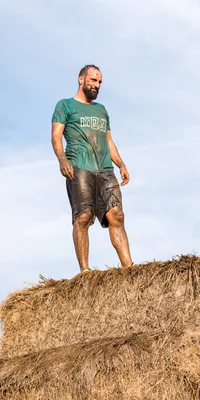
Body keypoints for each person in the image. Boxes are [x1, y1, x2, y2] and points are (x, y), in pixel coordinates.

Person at [51, 64, 133, 273]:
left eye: (99, 82)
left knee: (117, 215)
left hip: (105, 169)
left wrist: (121, 164)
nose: (97, 85)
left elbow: (109, 140)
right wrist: (62, 159)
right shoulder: (65, 105)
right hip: (79, 166)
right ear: (81, 79)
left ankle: (130, 269)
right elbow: (56, 136)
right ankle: (85, 271)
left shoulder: (101, 110)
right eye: (93, 80)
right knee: (83, 216)